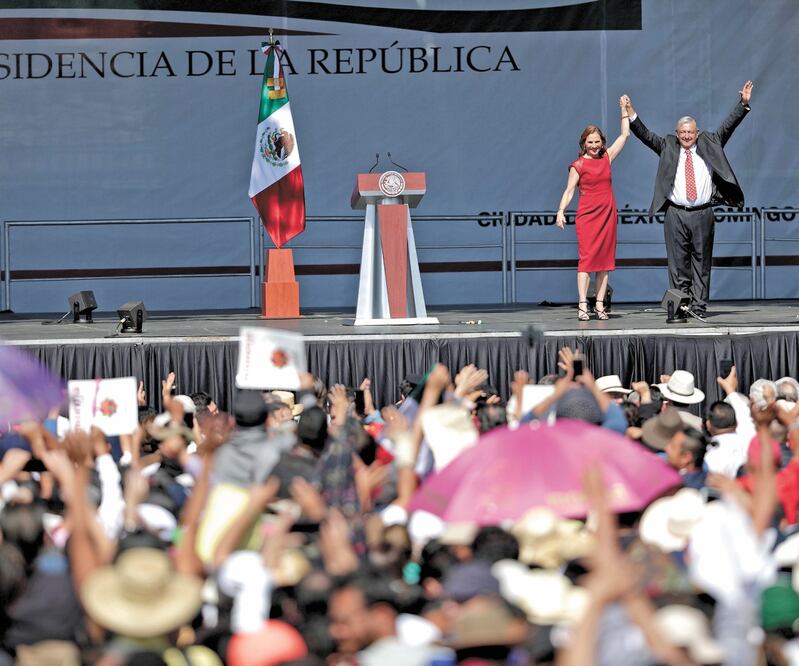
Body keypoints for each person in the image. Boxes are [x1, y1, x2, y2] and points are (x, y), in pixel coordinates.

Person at [625, 81, 753, 318]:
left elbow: (728, 126)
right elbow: (645, 135)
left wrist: (743, 104)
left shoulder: (711, 142)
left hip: (702, 213)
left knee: (702, 263)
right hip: (676, 213)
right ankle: (681, 307)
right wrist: (631, 114)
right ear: (677, 133)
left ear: (697, 133)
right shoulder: (667, 146)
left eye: (690, 132)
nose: (686, 136)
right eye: (682, 132)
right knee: (677, 264)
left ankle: (699, 307)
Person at [556, 95, 630, 321]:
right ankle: (582, 304)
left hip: (607, 214)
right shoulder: (578, 165)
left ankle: (599, 305)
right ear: (583, 144)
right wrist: (560, 211)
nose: (595, 145)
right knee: (587, 261)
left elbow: (625, 134)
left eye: (597, 141)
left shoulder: (607, 158)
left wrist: (624, 110)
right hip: (587, 217)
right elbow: (569, 191)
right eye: (590, 142)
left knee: (605, 263)